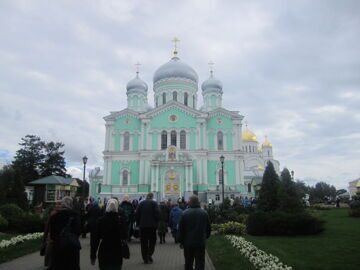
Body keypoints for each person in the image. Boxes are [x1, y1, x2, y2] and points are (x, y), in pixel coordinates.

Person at [91, 198, 128, 270]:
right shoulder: (120, 220)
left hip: (104, 250)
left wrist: (93, 256)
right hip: (117, 250)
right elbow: (125, 236)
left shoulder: (100, 220)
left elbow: (95, 240)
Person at [178, 195, 211, 270]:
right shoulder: (204, 213)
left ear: (190, 202)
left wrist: (181, 241)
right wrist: (205, 237)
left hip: (188, 243)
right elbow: (208, 228)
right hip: (200, 242)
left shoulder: (185, 213)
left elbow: (181, 229)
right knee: (200, 262)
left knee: (188, 262)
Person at [49, 196, 81, 270]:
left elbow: (52, 234)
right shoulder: (75, 215)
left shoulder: (55, 216)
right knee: (72, 265)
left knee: (59, 265)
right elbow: (78, 231)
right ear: (71, 204)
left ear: (63, 204)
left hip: (58, 245)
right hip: (72, 245)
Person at [135, 192, 160, 264]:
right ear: (152, 197)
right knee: (152, 241)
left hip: (142, 226)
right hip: (152, 227)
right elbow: (157, 214)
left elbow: (137, 214)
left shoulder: (141, 204)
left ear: (146, 196)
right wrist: (156, 223)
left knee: (143, 242)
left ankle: (145, 258)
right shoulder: (154, 204)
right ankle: (149, 254)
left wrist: (138, 223)